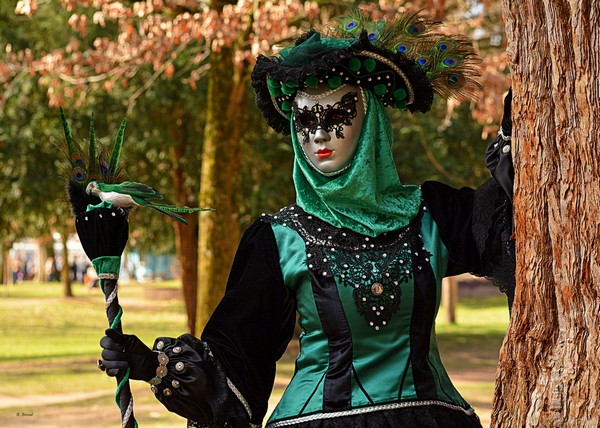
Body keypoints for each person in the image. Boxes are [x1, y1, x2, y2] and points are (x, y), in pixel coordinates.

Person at [93, 12, 514, 428]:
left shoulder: (431, 217)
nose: (318, 135)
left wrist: (516, 153)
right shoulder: (278, 242)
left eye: (337, 114)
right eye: (305, 120)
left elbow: (509, 231)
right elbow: (239, 356)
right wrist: (153, 364)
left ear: (370, 120)